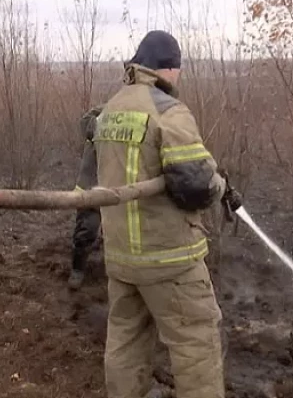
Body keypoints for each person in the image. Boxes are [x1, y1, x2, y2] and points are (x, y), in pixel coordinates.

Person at [87, 30, 240, 398]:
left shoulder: (110, 110)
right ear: (168, 69)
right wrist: (221, 188)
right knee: (196, 347)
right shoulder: (168, 111)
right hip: (170, 260)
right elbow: (195, 186)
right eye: (179, 71)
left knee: (126, 344)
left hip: (122, 258)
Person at [68, 106, 103, 290]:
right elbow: (85, 123)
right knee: (86, 231)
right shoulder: (100, 118)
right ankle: (77, 270)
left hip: (119, 189)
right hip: (90, 188)